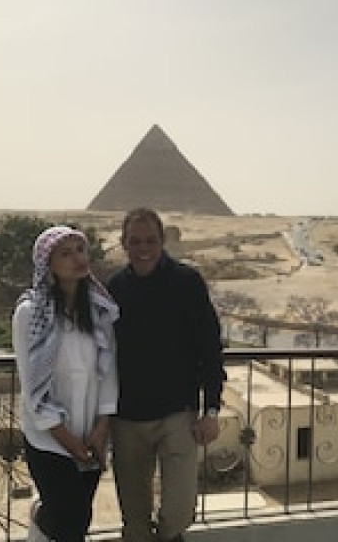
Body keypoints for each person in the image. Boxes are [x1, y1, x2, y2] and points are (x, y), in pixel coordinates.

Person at [107, 207, 226, 542]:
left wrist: (211, 409)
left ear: (162, 242)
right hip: (127, 419)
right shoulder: (113, 289)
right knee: (135, 520)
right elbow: (101, 357)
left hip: (177, 415)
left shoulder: (187, 283)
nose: (143, 248)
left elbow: (209, 348)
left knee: (180, 511)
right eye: (135, 241)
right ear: (124, 244)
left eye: (151, 240)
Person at [12, 225, 119, 542]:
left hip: (90, 434)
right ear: (48, 264)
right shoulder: (30, 313)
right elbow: (33, 386)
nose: (77, 258)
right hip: (48, 437)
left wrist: (101, 428)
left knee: (77, 520)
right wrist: (66, 439)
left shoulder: (98, 311)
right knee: (72, 516)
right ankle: (40, 521)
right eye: (66, 253)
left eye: (80, 250)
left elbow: (108, 372)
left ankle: (42, 522)